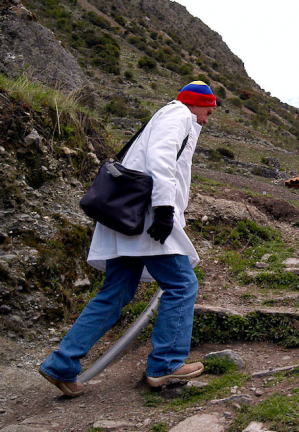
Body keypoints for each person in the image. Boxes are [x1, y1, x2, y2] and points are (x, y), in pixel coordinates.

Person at [39, 81, 216, 397]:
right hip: (147, 217)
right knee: (182, 284)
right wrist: (163, 209)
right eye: (208, 110)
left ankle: (62, 364)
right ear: (197, 104)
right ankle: (166, 364)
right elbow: (161, 158)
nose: (208, 118)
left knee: (116, 292)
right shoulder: (178, 115)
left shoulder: (167, 116)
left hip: (127, 217)